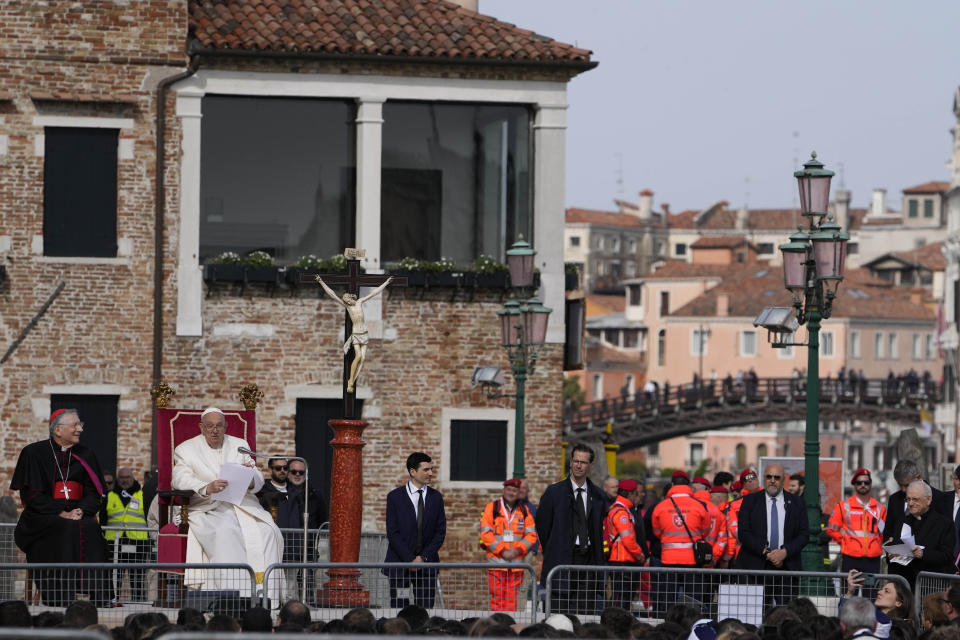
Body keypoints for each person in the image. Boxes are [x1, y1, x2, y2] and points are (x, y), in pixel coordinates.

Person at [171, 407, 283, 600]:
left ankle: (266, 596)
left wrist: (249, 478)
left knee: (269, 531)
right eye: (210, 426)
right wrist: (207, 486)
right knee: (226, 532)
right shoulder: (186, 449)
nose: (214, 431)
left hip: (242, 505)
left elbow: (256, 474)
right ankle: (230, 598)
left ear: (226, 427)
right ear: (201, 427)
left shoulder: (239, 445)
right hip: (207, 507)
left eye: (219, 426)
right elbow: (179, 479)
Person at [10, 409, 111, 606]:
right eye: (75, 425)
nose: (80, 429)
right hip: (42, 515)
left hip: (78, 513)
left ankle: (100, 596)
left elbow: (94, 493)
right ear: (57, 429)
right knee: (62, 526)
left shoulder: (86, 455)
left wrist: (81, 510)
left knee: (91, 527)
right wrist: (61, 512)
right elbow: (31, 495)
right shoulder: (33, 453)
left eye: (80, 425)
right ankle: (58, 596)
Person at [536, 443, 605, 614]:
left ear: (590, 465)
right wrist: (555, 547)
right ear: (570, 462)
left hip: (588, 560)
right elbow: (543, 526)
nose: (578, 465)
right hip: (562, 558)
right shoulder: (554, 493)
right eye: (575, 461)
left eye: (583, 462)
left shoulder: (598, 495)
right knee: (558, 613)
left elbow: (599, 529)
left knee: (585, 615)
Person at [384, 452, 446, 608]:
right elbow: (393, 532)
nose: (430, 473)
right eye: (426, 470)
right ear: (412, 471)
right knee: (399, 608)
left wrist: (422, 558)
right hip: (400, 565)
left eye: (431, 469)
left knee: (425, 610)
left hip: (426, 567)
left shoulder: (436, 497)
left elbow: (440, 532)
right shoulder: (395, 497)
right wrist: (410, 558)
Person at [315, 275, 394, 393]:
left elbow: (374, 293)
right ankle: (350, 381)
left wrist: (386, 283)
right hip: (356, 333)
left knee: (363, 359)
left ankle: (353, 381)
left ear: (351, 298)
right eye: (345, 300)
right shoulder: (347, 307)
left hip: (365, 333)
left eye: (347, 299)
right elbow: (332, 294)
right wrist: (321, 282)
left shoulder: (359, 302)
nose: (346, 301)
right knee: (358, 356)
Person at [650, 469, 711, 615]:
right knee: (692, 602)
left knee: (668, 600)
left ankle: (669, 627)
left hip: (668, 561)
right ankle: (691, 627)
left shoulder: (660, 507)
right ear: (688, 486)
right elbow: (706, 531)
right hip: (693, 561)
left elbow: (657, 532)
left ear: (672, 484)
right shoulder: (699, 506)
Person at [480, 478, 538, 611]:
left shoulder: (524, 511)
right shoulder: (492, 508)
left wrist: (517, 550)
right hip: (496, 563)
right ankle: (497, 628)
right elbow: (485, 534)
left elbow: (531, 535)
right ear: (504, 490)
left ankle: (508, 628)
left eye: (515, 491)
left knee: (512, 600)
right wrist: (503, 551)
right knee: (497, 598)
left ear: (519, 493)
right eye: (509, 490)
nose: (512, 493)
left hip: (516, 564)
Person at [827, 468, 886, 598]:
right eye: (859, 483)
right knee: (849, 594)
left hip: (872, 560)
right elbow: (831, 529)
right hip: (850, 558)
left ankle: (869, 619)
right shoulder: (844, 506)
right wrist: (844, 541)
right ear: (854, 485)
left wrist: (877, 544)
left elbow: (883, 532)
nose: (863, 485)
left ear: (870, 484)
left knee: (870, 597)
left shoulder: (880, 508)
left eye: (866, 482)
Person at [885, 480, 955, 586]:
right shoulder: (901, 521)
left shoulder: (944, 524)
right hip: (903, 585)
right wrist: (890, 553)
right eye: (908, 499)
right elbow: (895, 547)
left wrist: (923, 554)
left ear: (928, 500)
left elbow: (947, 555)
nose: (911, 503)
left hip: (928, 585)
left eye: (915, 499)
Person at [278, 458, 328, 603]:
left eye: (301, 472)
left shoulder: (315, 494)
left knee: (307, 581)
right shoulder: (283, 492)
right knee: (288, 584)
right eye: (294, 471)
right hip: (288, 546)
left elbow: (322, 520)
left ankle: (306, 607)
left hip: (308, 546)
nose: (297, 474)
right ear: (288, 473)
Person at [103, 466, 150, 601]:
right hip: (114, 542)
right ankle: (112, 601)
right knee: (114, 577)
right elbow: (103, 519)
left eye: (127, 477)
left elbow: (148, 517)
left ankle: (139, 603)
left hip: (138, 542)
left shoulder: (142, 495)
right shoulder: (109, 496)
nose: (125, 480)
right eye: (122, 478)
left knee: (138, 578)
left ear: (133, 478)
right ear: (118, 479)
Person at [884, 460, 952, 546]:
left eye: (907, 485)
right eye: (900, 485)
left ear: (918, 477)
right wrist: (890, 544)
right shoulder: (895, 499)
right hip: (899, 556)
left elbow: (946, 535)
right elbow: (888, 532)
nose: (903, 490)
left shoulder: (939, 498)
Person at [605, 479, 646, 610]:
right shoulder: (621, 512)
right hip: (622, 559)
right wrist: (639, 555)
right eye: (635, 494)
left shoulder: (620, 509)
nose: (637, 497)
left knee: (622, 596)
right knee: (620, 597)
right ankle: (615, 623)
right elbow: (628, 539)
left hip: (621, 559)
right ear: (630, 494)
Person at [256, 457, 290, 522]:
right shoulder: (261, 492)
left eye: (285, 468)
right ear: (270, 470)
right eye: (278, 468)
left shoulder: (294, 491)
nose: (282, 471)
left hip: (294, 532)